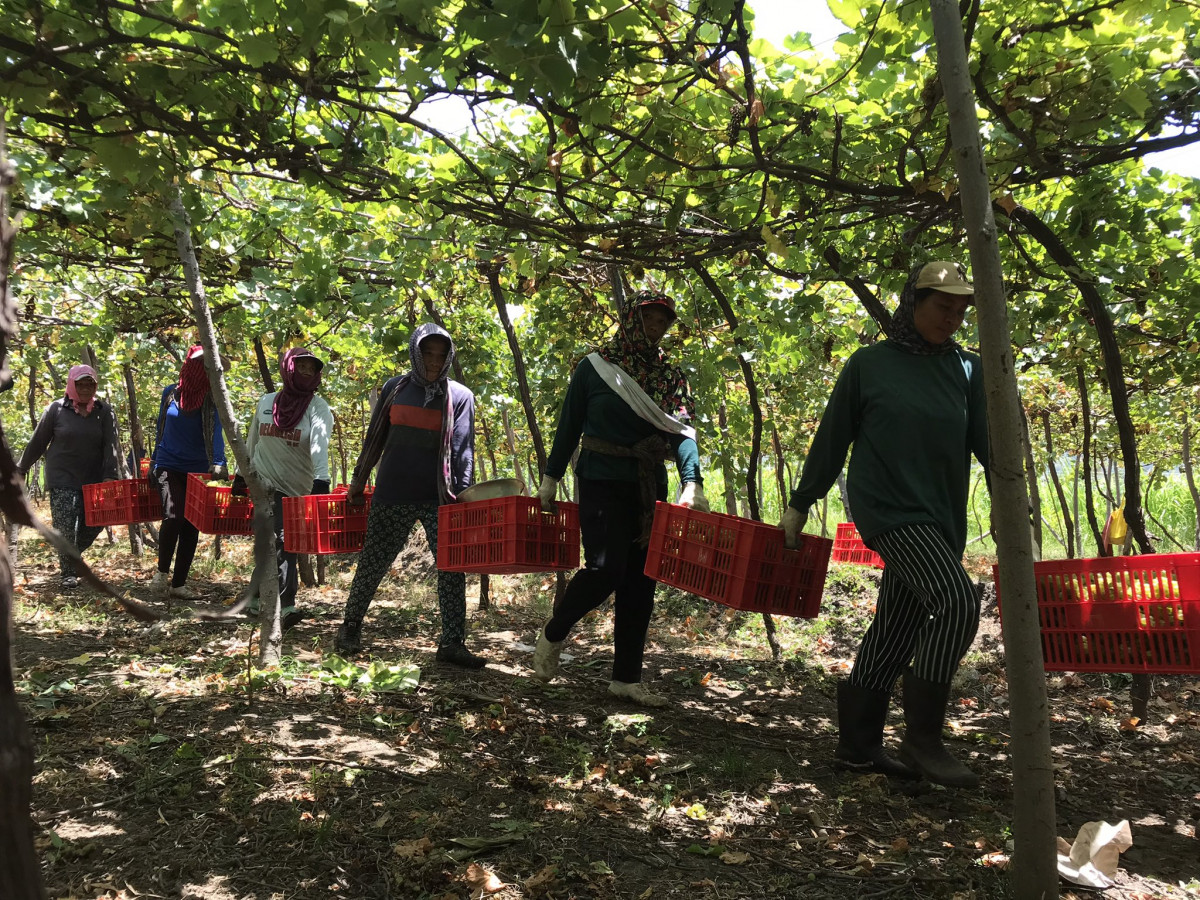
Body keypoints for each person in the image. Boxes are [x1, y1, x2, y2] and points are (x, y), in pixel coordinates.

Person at [781, 260, 988, 788]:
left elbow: (987, 443)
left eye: (962, 309)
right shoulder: (870, 365)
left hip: (940, 515)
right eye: (944, 306)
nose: (953, 317)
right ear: (913, 302)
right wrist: (802, 500)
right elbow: (833, 437)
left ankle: (856, 745)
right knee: (957, 601)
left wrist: (1018, 493)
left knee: (897, 627)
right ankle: (923, 739)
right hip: (889, 510)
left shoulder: (968, 369)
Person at [531, 290, 710, 708]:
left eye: (665, 321)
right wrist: (550, 478)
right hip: (601, 478)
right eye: (650, 317)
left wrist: (692, 482)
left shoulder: (669, 376)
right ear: (632, 318)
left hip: (648, 485)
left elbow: (681, 431)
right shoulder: (595, 367)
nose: (657, 326)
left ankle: (626, 678)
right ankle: (555, 631)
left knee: (640, 581)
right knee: (604, 569)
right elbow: (569, 424)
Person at [333, 324, 481, 667]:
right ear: (416, 352)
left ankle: (452, 643)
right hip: (393, 491)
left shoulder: (459, 397)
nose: (433, 360)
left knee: (450, 568)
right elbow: (375, 437)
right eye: (427, 353)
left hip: (439, 498)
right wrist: (358, 479)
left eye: (441, 355)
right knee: (374, 560)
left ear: (448, 357)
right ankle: (350, 626)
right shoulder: (396, 387)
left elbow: (463, 451)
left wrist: (462, 497)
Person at [235, 347, 333, 630]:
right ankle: (284, 605)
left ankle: (254, 599)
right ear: (288, 369)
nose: (305, 373)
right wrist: (242, 474)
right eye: (300, 367)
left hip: (296, 490)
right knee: (280, 541)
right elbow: (253, 438)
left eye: (311, 369)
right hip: (265, 483)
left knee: (277, 543)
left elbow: (319, 444)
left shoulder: (317, 408)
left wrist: (322, 481)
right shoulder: (267, 402)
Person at [16, 365, 120, 589]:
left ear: (95, 386)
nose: (85, 388)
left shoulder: (104, 411)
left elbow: (111, 446)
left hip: (92, 478)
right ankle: (68, 573)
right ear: (72, 385)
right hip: (62, 476)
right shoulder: (56, 409)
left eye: (90, 384)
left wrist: (110, 475)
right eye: (80, 384)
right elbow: (38, 442)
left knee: (95, 524)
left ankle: (71, 556)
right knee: (66, 527)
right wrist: (22, 467)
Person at [148, 345, 227, 601]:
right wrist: (154, 461)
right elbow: (161, 425)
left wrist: (218, 461)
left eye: (207, 365)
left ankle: (179, 584)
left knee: (191, 525)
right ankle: (161, 572)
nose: (201, 370)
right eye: (198, 364)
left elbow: (217, 429)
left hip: (198, 469)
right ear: (188, 365)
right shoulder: (170, 393)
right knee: (173, 514)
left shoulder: (212, 397)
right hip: (168, 464)